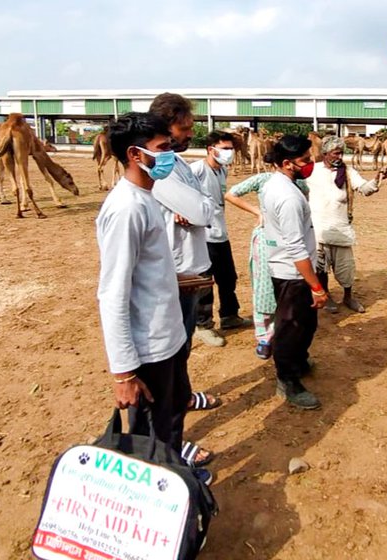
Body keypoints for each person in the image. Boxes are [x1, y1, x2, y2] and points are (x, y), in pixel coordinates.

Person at [95, 112, 211, 484]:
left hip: (169, 337)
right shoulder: (126, 208)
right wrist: (124, 372)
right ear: (134, 154)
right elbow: (113, 293)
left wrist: (175, 280)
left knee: (172, 417)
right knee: (151, 435)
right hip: (148, 349)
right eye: (162, 149)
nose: (170, 156)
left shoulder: (146, 198)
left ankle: (175, 477)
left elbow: (144, 269)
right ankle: (157, 494)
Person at [149, 93, 220, 470]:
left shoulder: (175, 162)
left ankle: (183, 401)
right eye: (185, 126)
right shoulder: (159, 166)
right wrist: (195, 206)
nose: (191, 132)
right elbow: (203, 208)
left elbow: (201, 207)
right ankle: (168, 451)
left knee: (181, 354)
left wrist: (196, 207)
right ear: (166, 127)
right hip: (174, 277)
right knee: (167, 366)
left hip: (189, 271)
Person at [261, 135, 329, 409]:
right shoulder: (287, 196)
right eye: (305, 160)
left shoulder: (280, 184)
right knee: (291, 328)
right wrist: (316, 286)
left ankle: (299, 361)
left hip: (297, 270)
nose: (310, 163)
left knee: (306, 323)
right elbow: (295, 247)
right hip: (293, 273)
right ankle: (287, 379)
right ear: (287, 163)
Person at [225, 172, 308, 360]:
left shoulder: (300, 182)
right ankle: (263, 336)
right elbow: (231, 194)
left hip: (289, 239)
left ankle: (280, 331)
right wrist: (257, 212)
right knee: (264, 286)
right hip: (265, 239)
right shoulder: (263, 179)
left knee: (288, 285)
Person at [307, 135, 386, 313]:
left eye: (341, 153)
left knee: (346, 269)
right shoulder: (312, 170)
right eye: (335, 153)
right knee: (321, 268)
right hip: (318, 229)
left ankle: (348, 297)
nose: (339, 157)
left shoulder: (348, 172)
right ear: (325, 154)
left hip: (341, 229)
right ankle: (325, 295)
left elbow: (365, 189)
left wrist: (377, 179)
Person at [190, 131, 250, 348]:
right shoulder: (195, 170)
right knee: (205, 282)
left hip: (220, 233)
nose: (229, 153)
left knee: (228, 277)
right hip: (202, 235)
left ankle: (229, 316)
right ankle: (203, 325)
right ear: (211, 149)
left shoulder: (222, 170)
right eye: (224, 149)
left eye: (230, 149)